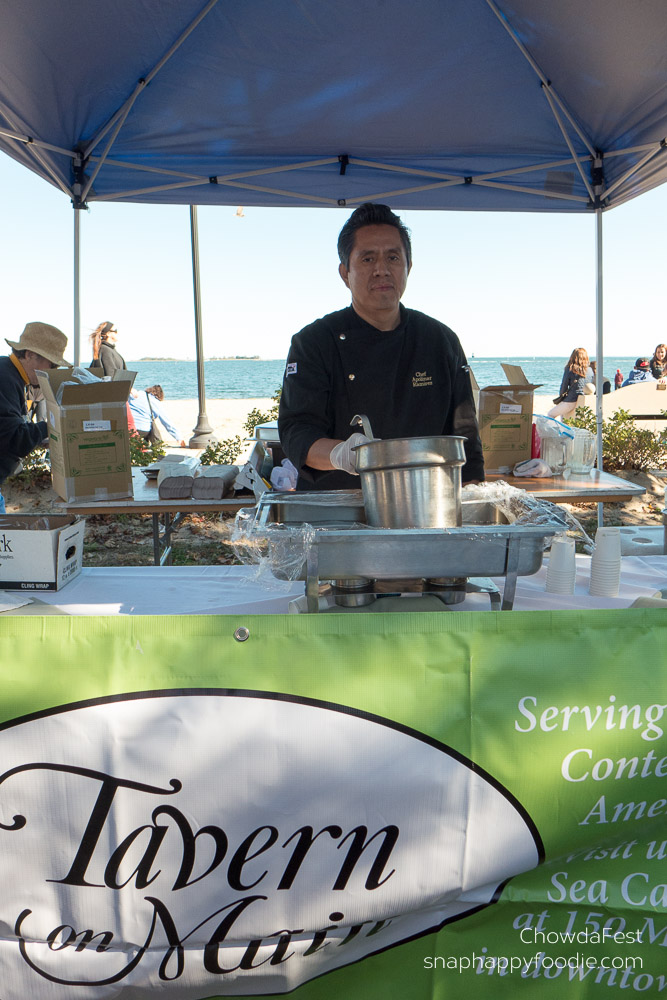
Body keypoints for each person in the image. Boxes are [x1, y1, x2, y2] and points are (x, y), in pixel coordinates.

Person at [278, 202, 484, 488]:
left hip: (425, 505)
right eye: (367, 259)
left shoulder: (440, 340)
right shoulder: (314, 342)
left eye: (393, 258)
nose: (381, 270)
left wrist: (473, 504)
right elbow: (296, 433)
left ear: (408, 267)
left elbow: (466, 441)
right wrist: (341, 454)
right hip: (336, 509)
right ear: (344, 272)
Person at [0, 322, 70, 513]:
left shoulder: (10, 374)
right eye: (52, 364)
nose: (53, 371)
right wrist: (50, 427)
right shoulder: (4, 377)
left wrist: (40, 438)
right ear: (30, 354)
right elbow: (14, 439)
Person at [548, 348, 591, 418]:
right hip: (584, 398)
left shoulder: (570, 369)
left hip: (571, 400)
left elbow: (564, 385)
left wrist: (561, 397)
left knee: (551, 414)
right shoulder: (590, 370)